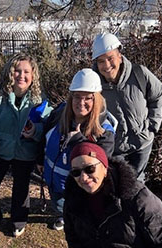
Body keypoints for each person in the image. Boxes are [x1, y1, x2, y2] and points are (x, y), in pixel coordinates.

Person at [0, 53, 52, 237]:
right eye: (17, 71)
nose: (21, 75)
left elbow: (49, 127)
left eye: (26, 71)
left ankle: (19, 220)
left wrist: (34, 131)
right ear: (10, 73)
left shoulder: (39, 99)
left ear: (33, 75)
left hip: (25, 151)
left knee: (21, 187)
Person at [37, 68, 116, 231]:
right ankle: (62, 215)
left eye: (88, 98)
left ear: (97, 100)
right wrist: (39, 159)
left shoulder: (104, 131)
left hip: (80, 191)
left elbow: (100, 165)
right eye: (77, 97)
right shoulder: (60, 113)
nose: (81, 103)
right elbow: (44, 135)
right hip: (54, 181)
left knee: (78, 223)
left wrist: (79, 141)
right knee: (59, 205)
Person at [64, 141, 162, 248]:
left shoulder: (139, 197)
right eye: (76, 172)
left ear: (105, 168)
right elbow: (74, 241)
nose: (83, 178)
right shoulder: (73, 200)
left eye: (90, 169)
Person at [92, 32, 162, 183]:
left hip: (142, 144)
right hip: (115, 149)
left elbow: (157, 95)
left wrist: (152, 126)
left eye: (110, 58)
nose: (106, 65)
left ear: (119, 55)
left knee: (137, 184)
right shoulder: (93, 85)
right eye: (101, 61)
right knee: (117, 186)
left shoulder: (139, 73)